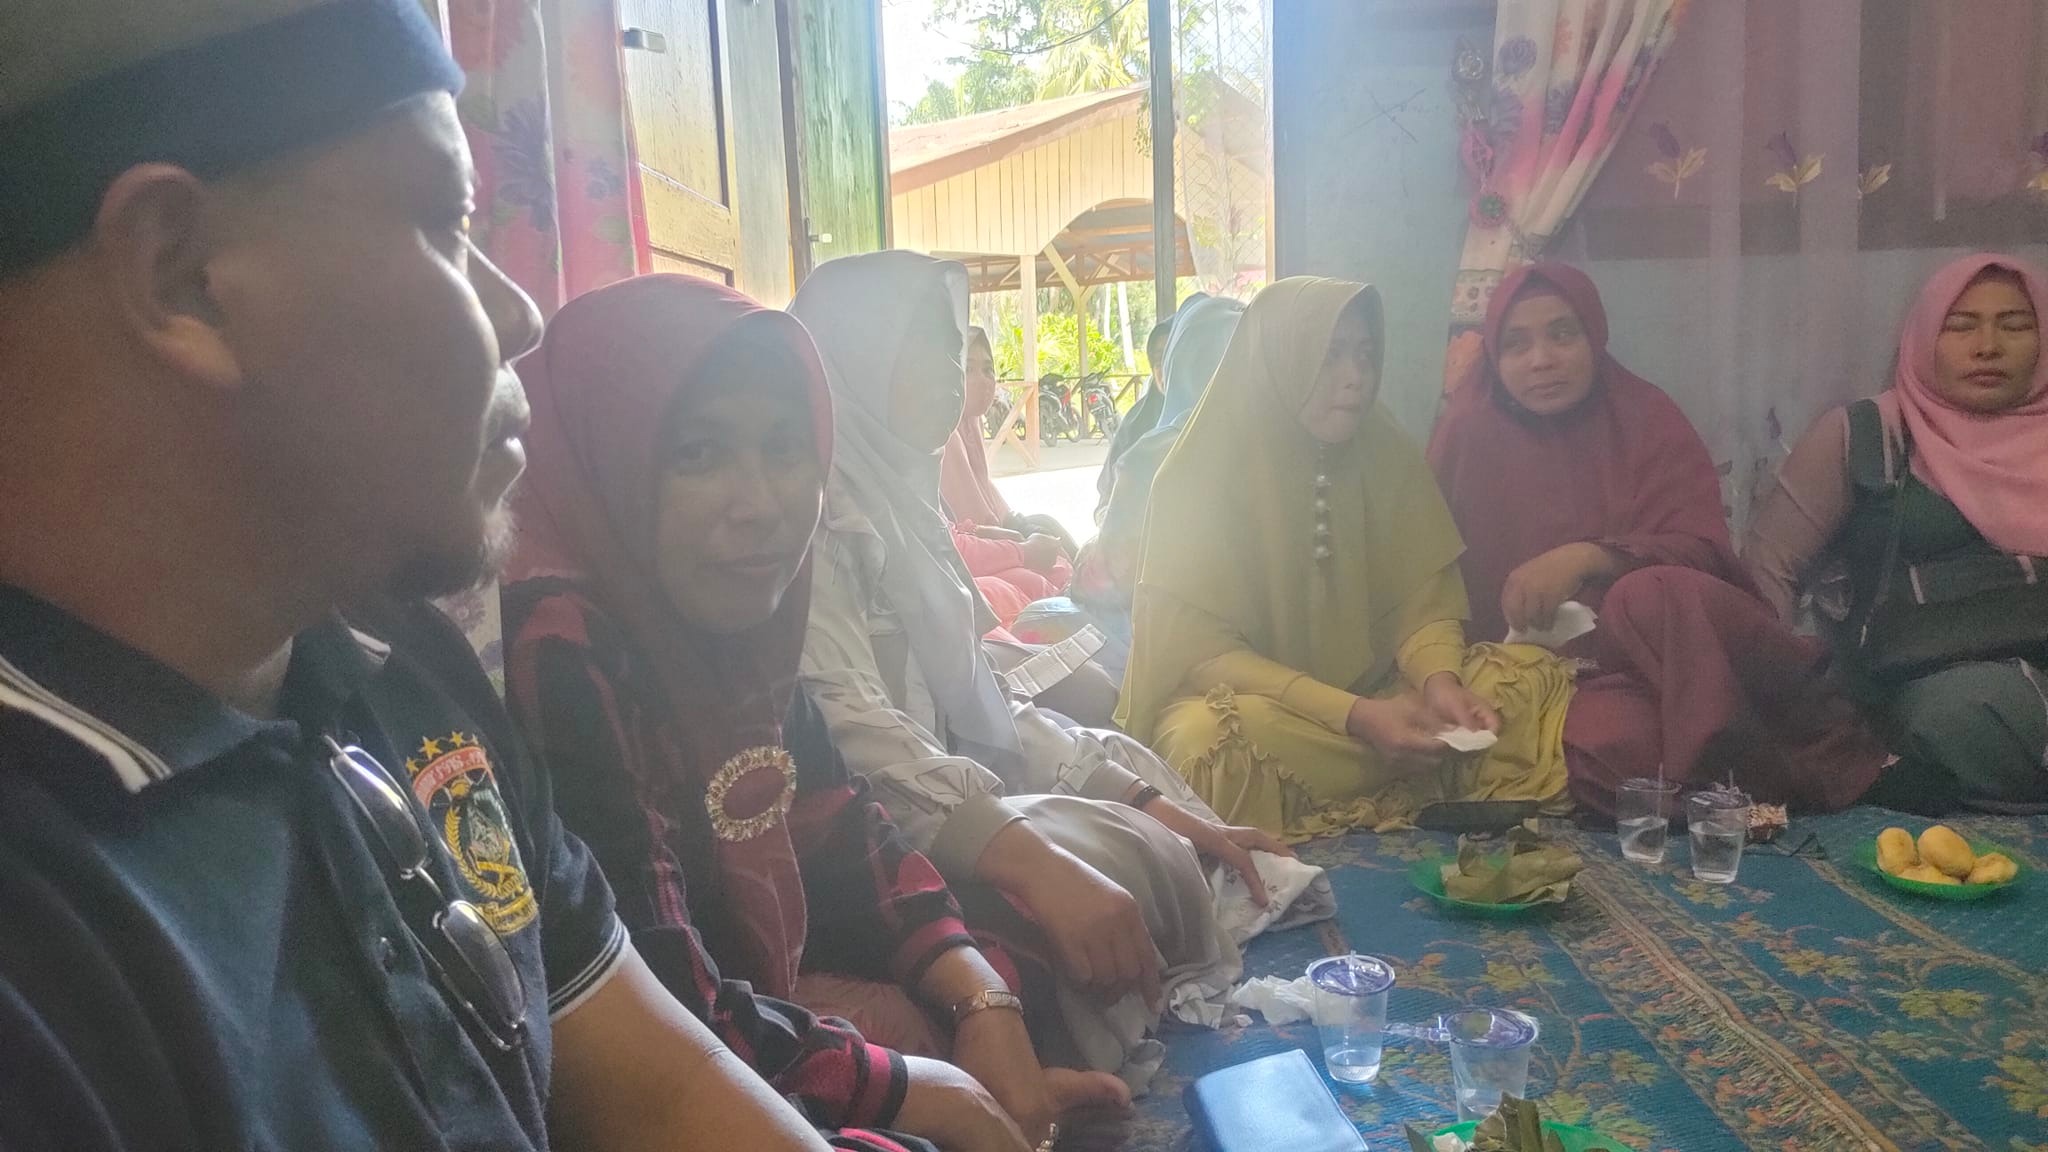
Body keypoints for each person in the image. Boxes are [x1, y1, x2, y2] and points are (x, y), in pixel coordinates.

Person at [0, 3, 1025, 1149]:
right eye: (447, 223)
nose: (519, 313)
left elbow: (661, 1088)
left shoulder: (392, 669)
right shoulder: (40, 951)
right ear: (182, 275)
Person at [501, 274, 1129, 1147]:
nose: (760, 505)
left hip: (751, 1003)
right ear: (605, 458)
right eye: (697, 454)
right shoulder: (560, 656)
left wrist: (980, 999)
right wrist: (901, 1082)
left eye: (787, 449)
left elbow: (844, 823)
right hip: (648, 1086)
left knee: (1010, 959)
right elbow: (657, 1003)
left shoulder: (736, 623)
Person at [789, 251, 1297, 1084]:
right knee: (1117, 852)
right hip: (862, 846)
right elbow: (855, 733)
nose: (950, 368)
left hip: (930, 786)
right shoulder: (816, 521)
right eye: (924, 344)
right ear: (856, 358)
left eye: (955, 344)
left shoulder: (902, 503)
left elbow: (971, 701)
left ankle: (1156, 927)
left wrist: (1144, 799)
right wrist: (1031, 854)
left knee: (1127, 770)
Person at [1117, 278, 1574, 841]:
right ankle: (1412, 777)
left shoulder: (1386, 451)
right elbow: (1203, 654)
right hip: (1263, 708)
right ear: (1278, 360)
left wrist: (1439, 682)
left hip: (1384, 697)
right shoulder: (1196, 475)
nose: (1356, 376)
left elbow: (1423, 606)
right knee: (1209, 746)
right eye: (1330, 355)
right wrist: (1355, 716)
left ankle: (1400, 758)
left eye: (1364, 354)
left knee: (1521, 679)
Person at [1428, 262, 1890, 815]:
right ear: (1494, 356)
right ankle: (1737, 789)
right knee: (1604, 753)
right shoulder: (1466, 437)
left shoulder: (1644, 417)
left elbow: (1706, 559)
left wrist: (1589, 558)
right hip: (1559, 685)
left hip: (1674, 665)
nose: (1542, 360)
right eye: (1516, 343)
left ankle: (1794, 762)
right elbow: (1423, 585)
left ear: (1594, 337)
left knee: (1647, 594)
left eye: (1562, 334)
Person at [1746, 253, 2048, 814]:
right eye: (1960, 326)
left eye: (2014, 325)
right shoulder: (1867, 434)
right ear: (1923, 337)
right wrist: (1783, 700)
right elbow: (1770, 567)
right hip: (1927, 683)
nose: (1988, 347)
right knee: (1966, 713)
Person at [942, 326, 1072, 629]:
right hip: (962, 560)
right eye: (968, 369)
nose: (983, 380)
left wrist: (1023, 532)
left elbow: (990, 503)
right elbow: (971, 524)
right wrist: (1022, 548)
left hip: (972, 548)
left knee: (1048, 536)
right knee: (1035, 581)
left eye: (988, 369)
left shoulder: (970, 427)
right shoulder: (943, 437)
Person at [1095, 318, 1177, 512]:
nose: (1165, 368)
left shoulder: (1219, 423)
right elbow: (1106, 501)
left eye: (1174, 356)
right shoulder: (1136, 423)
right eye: (1158, 359)